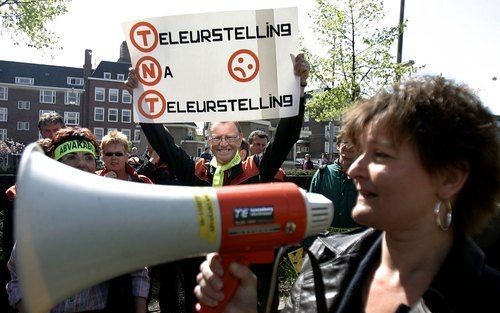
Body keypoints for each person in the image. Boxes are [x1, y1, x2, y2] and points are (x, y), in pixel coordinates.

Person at [194, 76, 500, 312]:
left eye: (380, 155)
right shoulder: (324, 263)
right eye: (359, 152)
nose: (354, 169)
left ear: (449, 178)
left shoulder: (484, 296)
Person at [126, 53, 310, 312]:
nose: (223, 143)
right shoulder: (195, 171)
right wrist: (140, 96)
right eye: (217, 137)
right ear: (208, 141)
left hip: (247, 273)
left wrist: (298, 89)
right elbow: (163, 145)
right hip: (202, 274)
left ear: (240, 140)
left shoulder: (257, 169)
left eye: (230, 137)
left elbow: (285, 138)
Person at [6, 127, 150, 313]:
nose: (81, 164)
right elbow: (18, 274)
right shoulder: (38, 212)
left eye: (88, 157)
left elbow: (138, 268)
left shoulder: (115, 210)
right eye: (71, 156)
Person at [309, 133, 362, 233]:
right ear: (338, 146)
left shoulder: (367, 176)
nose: (349, 146)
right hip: (325, 240)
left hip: (358, 241)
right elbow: (311, 208)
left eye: (354, 143)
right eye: (345, 142)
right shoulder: (322, 173)